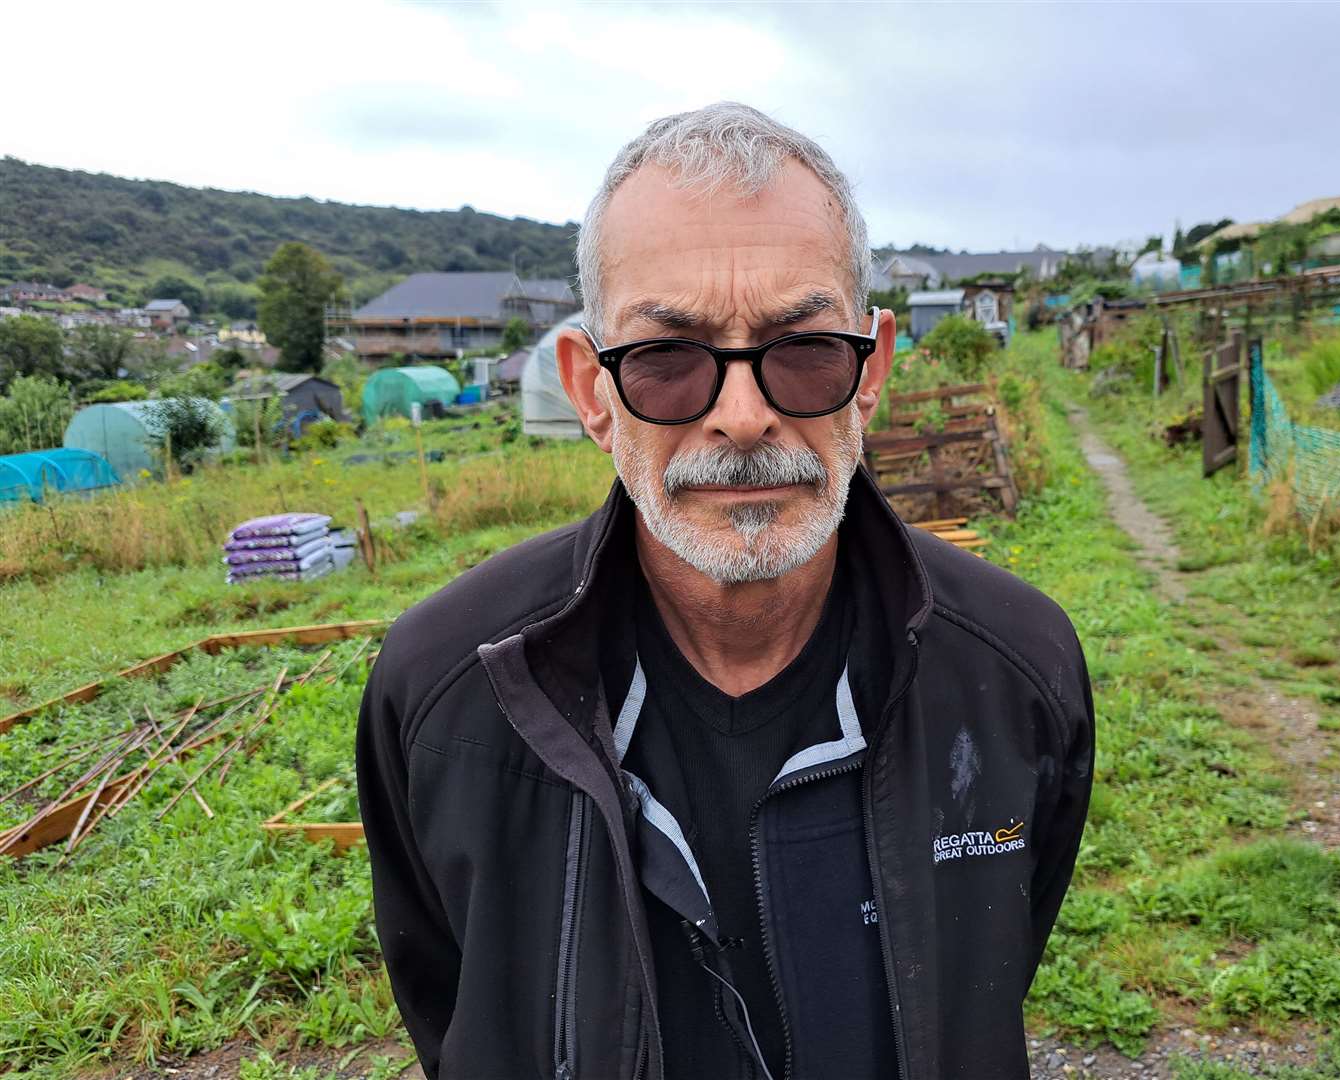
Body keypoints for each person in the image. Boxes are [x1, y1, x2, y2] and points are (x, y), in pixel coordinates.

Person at [357, 102, 1094, 1080]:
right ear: (589, 390)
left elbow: (989, 972)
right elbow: (453, 1009)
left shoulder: (1013, 673)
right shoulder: (446, 695)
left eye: (803, 351)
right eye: (666, 360)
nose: (743, 420)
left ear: (868, 373)